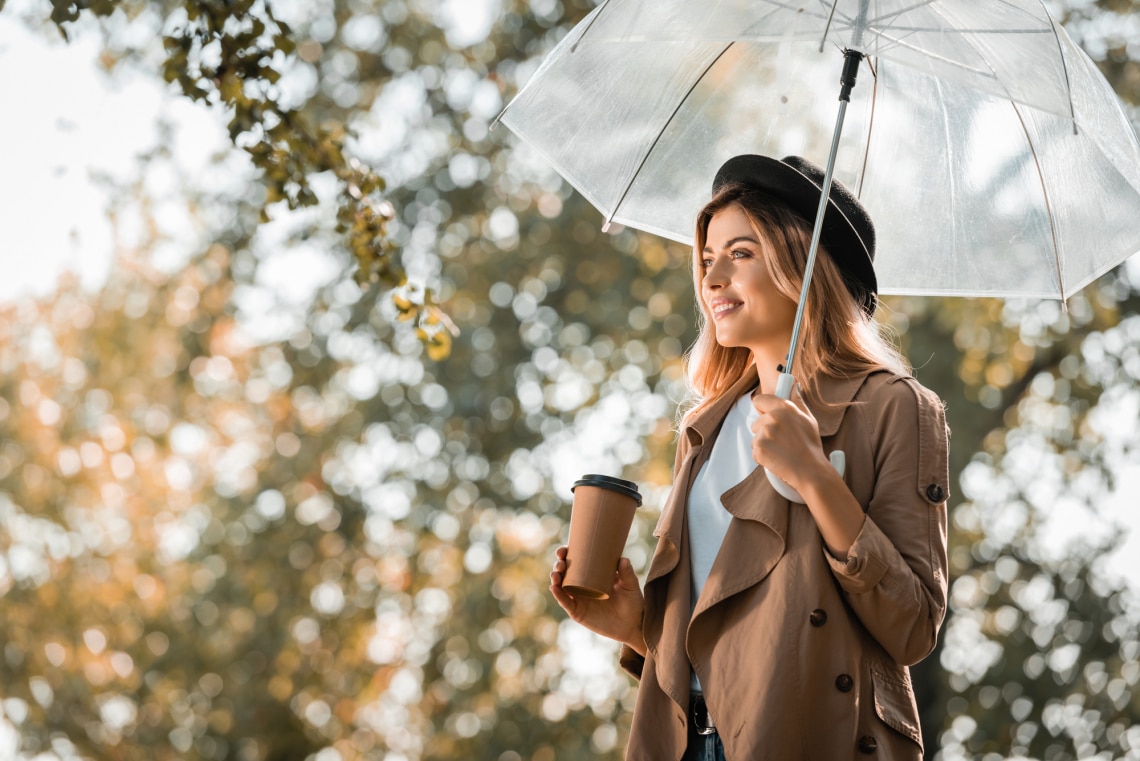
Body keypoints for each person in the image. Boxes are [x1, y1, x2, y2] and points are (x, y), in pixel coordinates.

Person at [550, 154, 950, 761]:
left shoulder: (892, 406)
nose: (712, 280)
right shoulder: (704, 429)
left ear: (803, 268)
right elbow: (730, 635)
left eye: (740, 254)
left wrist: (817, 478)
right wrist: (637, 627)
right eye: (708, 259)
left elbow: (913, 625)